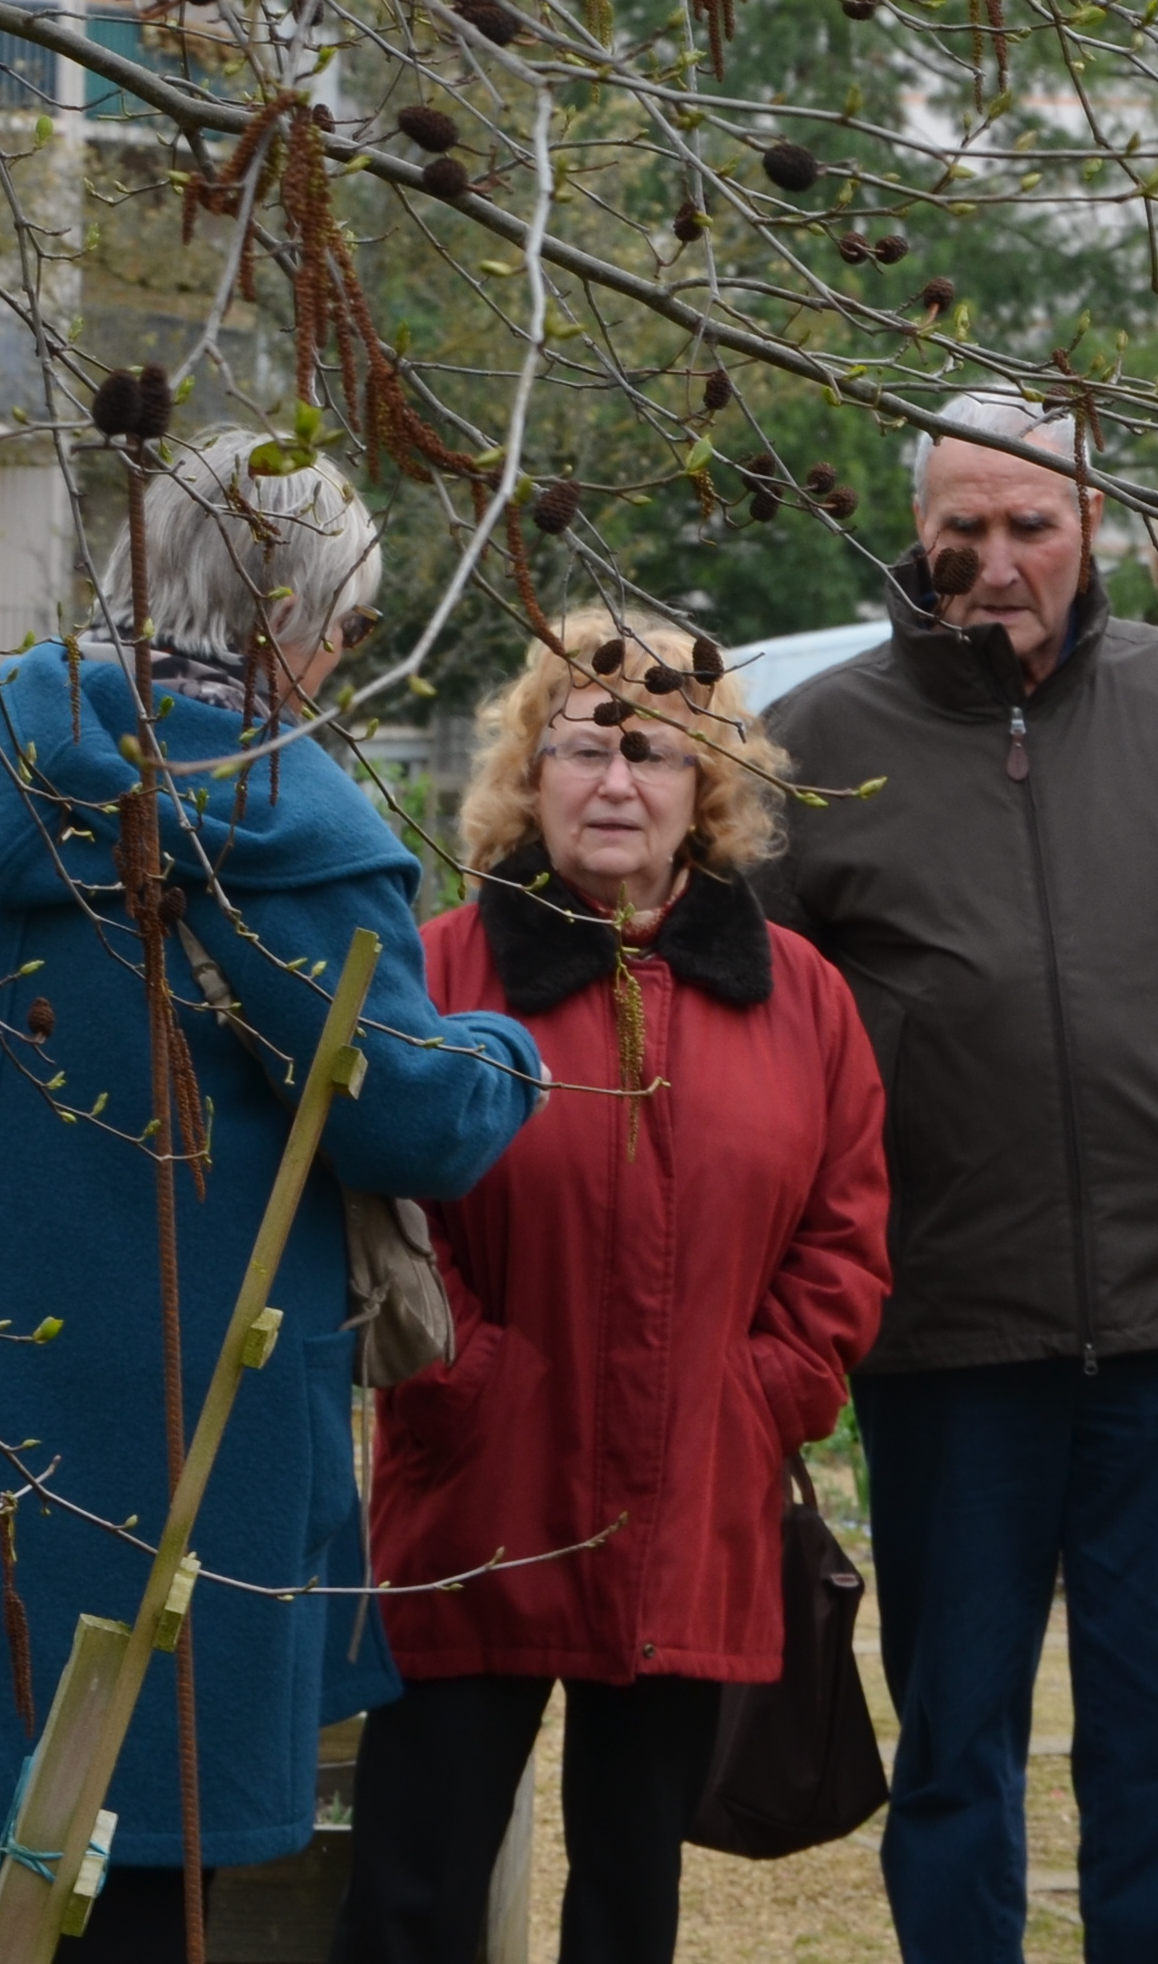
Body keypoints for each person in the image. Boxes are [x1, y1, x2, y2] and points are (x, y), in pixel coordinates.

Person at [0, 432, 546, 1964]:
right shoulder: (287, 836)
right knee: (144, 1867)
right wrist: (506, 1050)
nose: (342, 659)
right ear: (287, 622)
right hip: (188, 1433)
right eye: (344, 623)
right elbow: (404, 1117)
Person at [753, 394, 1158, 1964]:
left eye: (1028, 525)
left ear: (1089, 527)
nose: (994, 560)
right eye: (962, 530)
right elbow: (757, 1011)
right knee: (957, 1750)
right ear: (921, 535)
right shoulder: (822, 749)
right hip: (950, 1330)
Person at [337, 609, 890, 1964]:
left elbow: (847, 1230)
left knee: (628, 1903)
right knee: (416, 1891)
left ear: (707, 790)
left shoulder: (800, 996)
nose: (617, 783)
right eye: (587, 747)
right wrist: (471, 1381)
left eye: (656, 754)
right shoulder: (450, 969)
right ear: (534, 772)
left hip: (692, 1498)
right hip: (481, 1493)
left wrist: (761, 1396)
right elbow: (386, 1207)